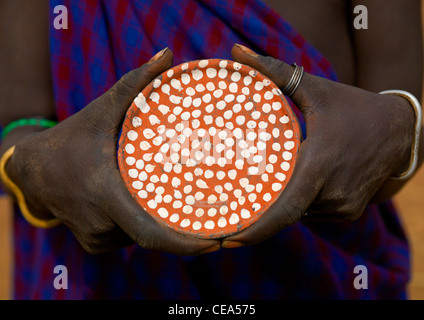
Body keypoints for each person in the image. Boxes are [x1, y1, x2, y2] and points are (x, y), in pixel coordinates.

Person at [0, 0, 422, 299]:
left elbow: (404, 102)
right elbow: (19, 125)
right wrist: (39, 169)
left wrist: (398, 131)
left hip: (323, 274)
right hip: (95, 280)